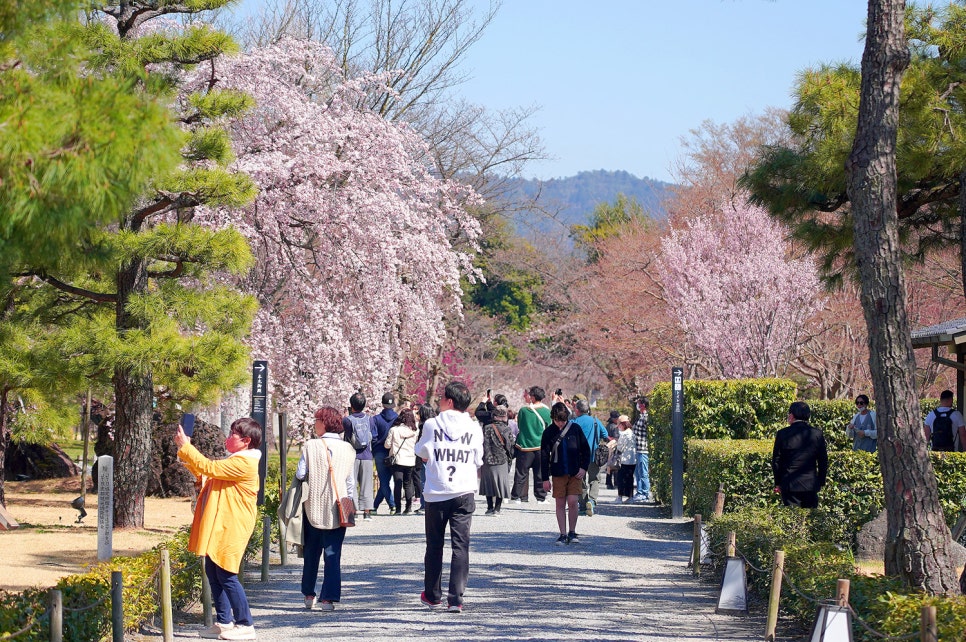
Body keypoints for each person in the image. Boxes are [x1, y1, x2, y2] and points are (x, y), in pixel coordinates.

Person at [175, 418, 261, 641]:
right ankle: (224, 621)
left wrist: (187, 447)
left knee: (226, 573)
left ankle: (245, 624)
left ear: (246, 440)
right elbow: (207, 474)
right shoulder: (237, 459)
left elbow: (210, 468)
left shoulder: (245, 462)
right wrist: (185, 451)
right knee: (213, 570)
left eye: (233, 434)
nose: (228, 437)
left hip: (233, 523)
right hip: (225, 521)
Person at [415, 381, 483, 613]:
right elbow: (478, 459)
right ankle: (456, 599)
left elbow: (421, 451)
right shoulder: (474, 427)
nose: (440, 401)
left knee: (434, 545)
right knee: (460, 546)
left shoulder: (432, 425)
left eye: (443, 398)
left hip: (436, 492)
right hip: (464, 491)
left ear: (450, 401)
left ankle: (433, 595)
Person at [296, 407, 356, 611]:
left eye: (317, 420)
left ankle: (309, 594)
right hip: (339, 508)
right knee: (333, 555)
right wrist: (350, 505)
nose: (315, 423)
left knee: (311, 553)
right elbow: (350, 482)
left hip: (313, 507)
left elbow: (300, 474)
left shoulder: (311, 446)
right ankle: (328, 599)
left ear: (324, 422)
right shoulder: (348, 449)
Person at [540, 401, 590, 545]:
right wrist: (545, 478)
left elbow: (585, 450)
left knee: (573, 501)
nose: (560, 424)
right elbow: (543, 456)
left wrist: (583, 468)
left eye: (563, 420)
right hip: (558, 472)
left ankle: (572, 531)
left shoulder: (575, 429)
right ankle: (562, 533)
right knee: (560, 503)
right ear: (552, 418)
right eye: (557, 420)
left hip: (575, 472)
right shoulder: (548, 432)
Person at [771, 401, 829, 509]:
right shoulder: (816, 433)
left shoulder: (782, 433)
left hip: (789, 483)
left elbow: (776, 461)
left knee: (792, 519)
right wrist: (820, 481)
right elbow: (823, 460)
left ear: (791, 415)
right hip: (810, 483)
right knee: (810, 519)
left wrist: (778, 482)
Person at [512, 386, 551, 504]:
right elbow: (549, 426)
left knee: (521, 473)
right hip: (540, 446)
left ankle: (516, 496)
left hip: (525, 446)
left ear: (532, 397)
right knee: (539, 473)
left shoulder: (524, 410)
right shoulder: (547, 411)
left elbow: (520, 426)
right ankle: (541, 497)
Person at [570, 399, 608, 517]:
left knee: (579, 480)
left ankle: (582, 505)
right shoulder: (595, 421)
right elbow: (605, 435)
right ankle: (591, 501)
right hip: (594, 456)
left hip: (578, 457)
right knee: (594, 479)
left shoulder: (574, 422)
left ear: (577, 410)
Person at [343, 392, 374, 520]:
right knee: (367, 484)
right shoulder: (370, 419)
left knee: (352, 483)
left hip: (352, 455)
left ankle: (354, 511)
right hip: (367, 455)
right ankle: (367, 513)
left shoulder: (347, 420)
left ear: (351, 405)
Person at [480, 405, 515, 515]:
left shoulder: (487, 427)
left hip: (488, 459)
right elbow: (510, 446)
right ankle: (497, 509)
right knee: (500, 484)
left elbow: (484, 444)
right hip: (502, 459)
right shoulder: (507, 429)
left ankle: (489, 507)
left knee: (488, 483)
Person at [386, 409, 419, 514]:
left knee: (398, 484)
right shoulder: (415, 431)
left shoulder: (394, 430)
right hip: (410, 460)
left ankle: (398, 509)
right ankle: (408, 508)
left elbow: (387, 445)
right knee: (408, 484)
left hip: (398, 460)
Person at [371, 392, 398, 514]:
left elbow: (374, 437)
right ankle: (375, 507)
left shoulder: (376, 419)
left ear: (382, 404)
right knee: (385, 480)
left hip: (379, 451)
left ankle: (392, 505)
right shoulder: (397, 418)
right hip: (394, 452)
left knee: (384, 480)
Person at [414, 404, 437, 515]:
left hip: (425, 456)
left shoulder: (425, 425)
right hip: (435, 456)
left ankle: (424, 505)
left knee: (424, 480)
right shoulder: (436, 423)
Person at [631, 397, 651, 503]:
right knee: (638, 472)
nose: (637, 405)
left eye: (638, 403)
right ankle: (639, 492)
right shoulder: (640, 417)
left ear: (643, 405)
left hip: (643, 448)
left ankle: (645, 493)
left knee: (643, 472)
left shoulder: (646, 417)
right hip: (637, 448)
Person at [614, 416, 636, 503]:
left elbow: (620, 447)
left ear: (622, 424)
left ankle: (620, 497)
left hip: (624, 460)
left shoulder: (623, 434)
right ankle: (630, 497)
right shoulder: (632, 433)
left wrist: (615, 444)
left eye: (619, 425)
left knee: (621, 478)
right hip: (632, 459)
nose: (618, 427)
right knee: (630, 479)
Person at [604, 410, 621, 489]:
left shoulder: (608, 425)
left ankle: (608, 482)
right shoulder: (614, 426)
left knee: (609, 466)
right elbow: (616, 437)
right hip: (614, 447)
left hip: (608, 446)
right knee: (616, 465)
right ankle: (616, 482)